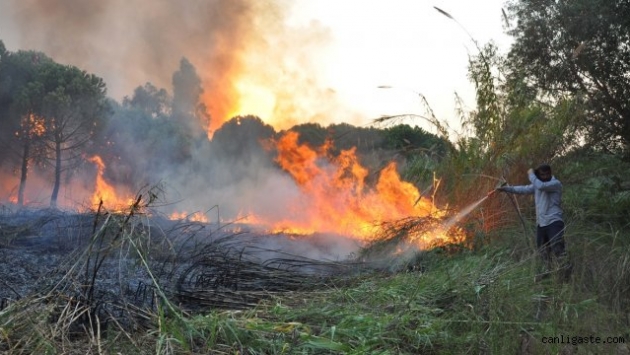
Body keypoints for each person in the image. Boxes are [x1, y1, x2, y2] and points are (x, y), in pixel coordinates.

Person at [497, 164, 570, 278]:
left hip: (554, 222)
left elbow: (540, 186)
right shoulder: (537, 185)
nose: (545, 176)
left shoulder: (555, 184)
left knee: (558, 249)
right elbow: (522, 189)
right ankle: (549, 274)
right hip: (541, 224)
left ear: (551, 173)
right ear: (539, 175)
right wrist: (505, 189)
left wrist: (530, 174)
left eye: (547, 174)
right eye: (542, 174)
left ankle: (566, 276)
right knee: (543, 251)